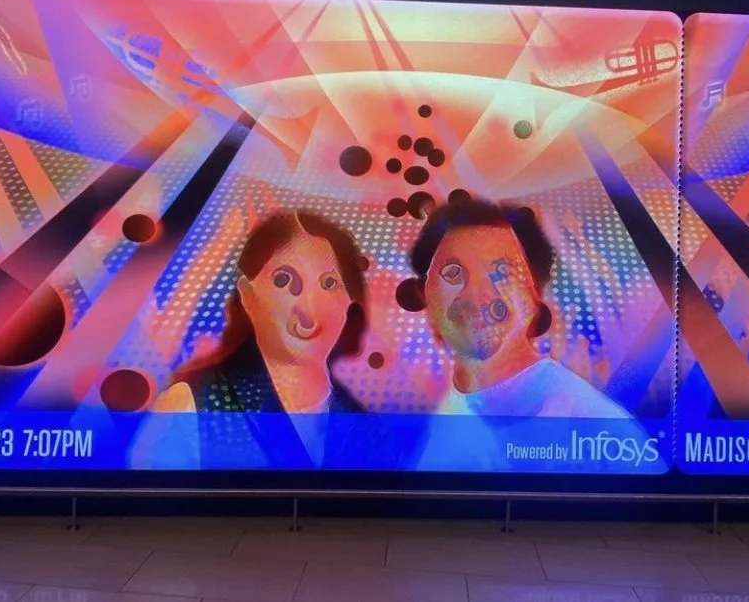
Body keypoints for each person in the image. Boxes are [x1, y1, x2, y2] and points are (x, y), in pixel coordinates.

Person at [131, 212, 370, 469]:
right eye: (283, 280)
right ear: (248, 295)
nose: (307, 307)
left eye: (329, 283)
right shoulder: (191, 407)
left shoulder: (368, 426)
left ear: (349, 300)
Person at [410, 198, 630, 420]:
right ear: (425, 294)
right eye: (452, 273)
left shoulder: (593, 420)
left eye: (503, 272)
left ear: (534, 295)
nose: (476, 296)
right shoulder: (431, 415)